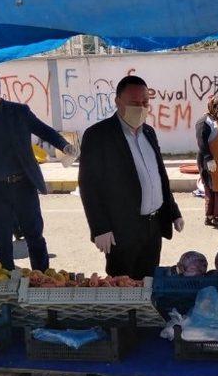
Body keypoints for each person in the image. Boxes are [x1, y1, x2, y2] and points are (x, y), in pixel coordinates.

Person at [0, 69, 75, 271]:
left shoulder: (19, 112)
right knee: (1, 242)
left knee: (34, 236)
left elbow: (44, 130)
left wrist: (64, 146)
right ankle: (6, 284)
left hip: (23, 185)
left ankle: (41, 280)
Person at [78, 75, 183, 279]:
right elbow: (89, 185)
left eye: (145, 103)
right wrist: (100, 228)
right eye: (134, 103)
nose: (141, 108)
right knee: (122, 287)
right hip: (121, 229)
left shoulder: (149, 133)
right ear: (118, 102)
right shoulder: (98, 136)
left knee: (148, 282)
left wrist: (173, 211)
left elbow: (159, 176)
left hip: (152, 227)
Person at [195, 94, 218, 228]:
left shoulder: (216, 121)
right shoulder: (203, 122)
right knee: (215, 189)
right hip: (209, 162)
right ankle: (217, 217)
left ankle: (211, 216)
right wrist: (209, 159)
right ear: (213, 107)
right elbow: (201, 142)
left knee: (217, 188)